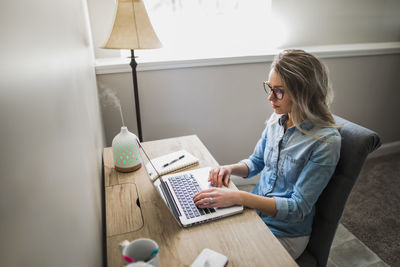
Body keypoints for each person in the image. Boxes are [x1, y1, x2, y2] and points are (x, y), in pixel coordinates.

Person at [193, 49, 341, 259]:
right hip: (254, 215)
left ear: (302, 93)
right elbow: (256, 161)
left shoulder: (325, 142)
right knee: (203, 238)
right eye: (269, 88)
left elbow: (297, 208)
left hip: (284, 234)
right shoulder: (278, 119)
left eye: (279, 91)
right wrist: (230, 168)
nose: (270, 97)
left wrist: (238, 197)